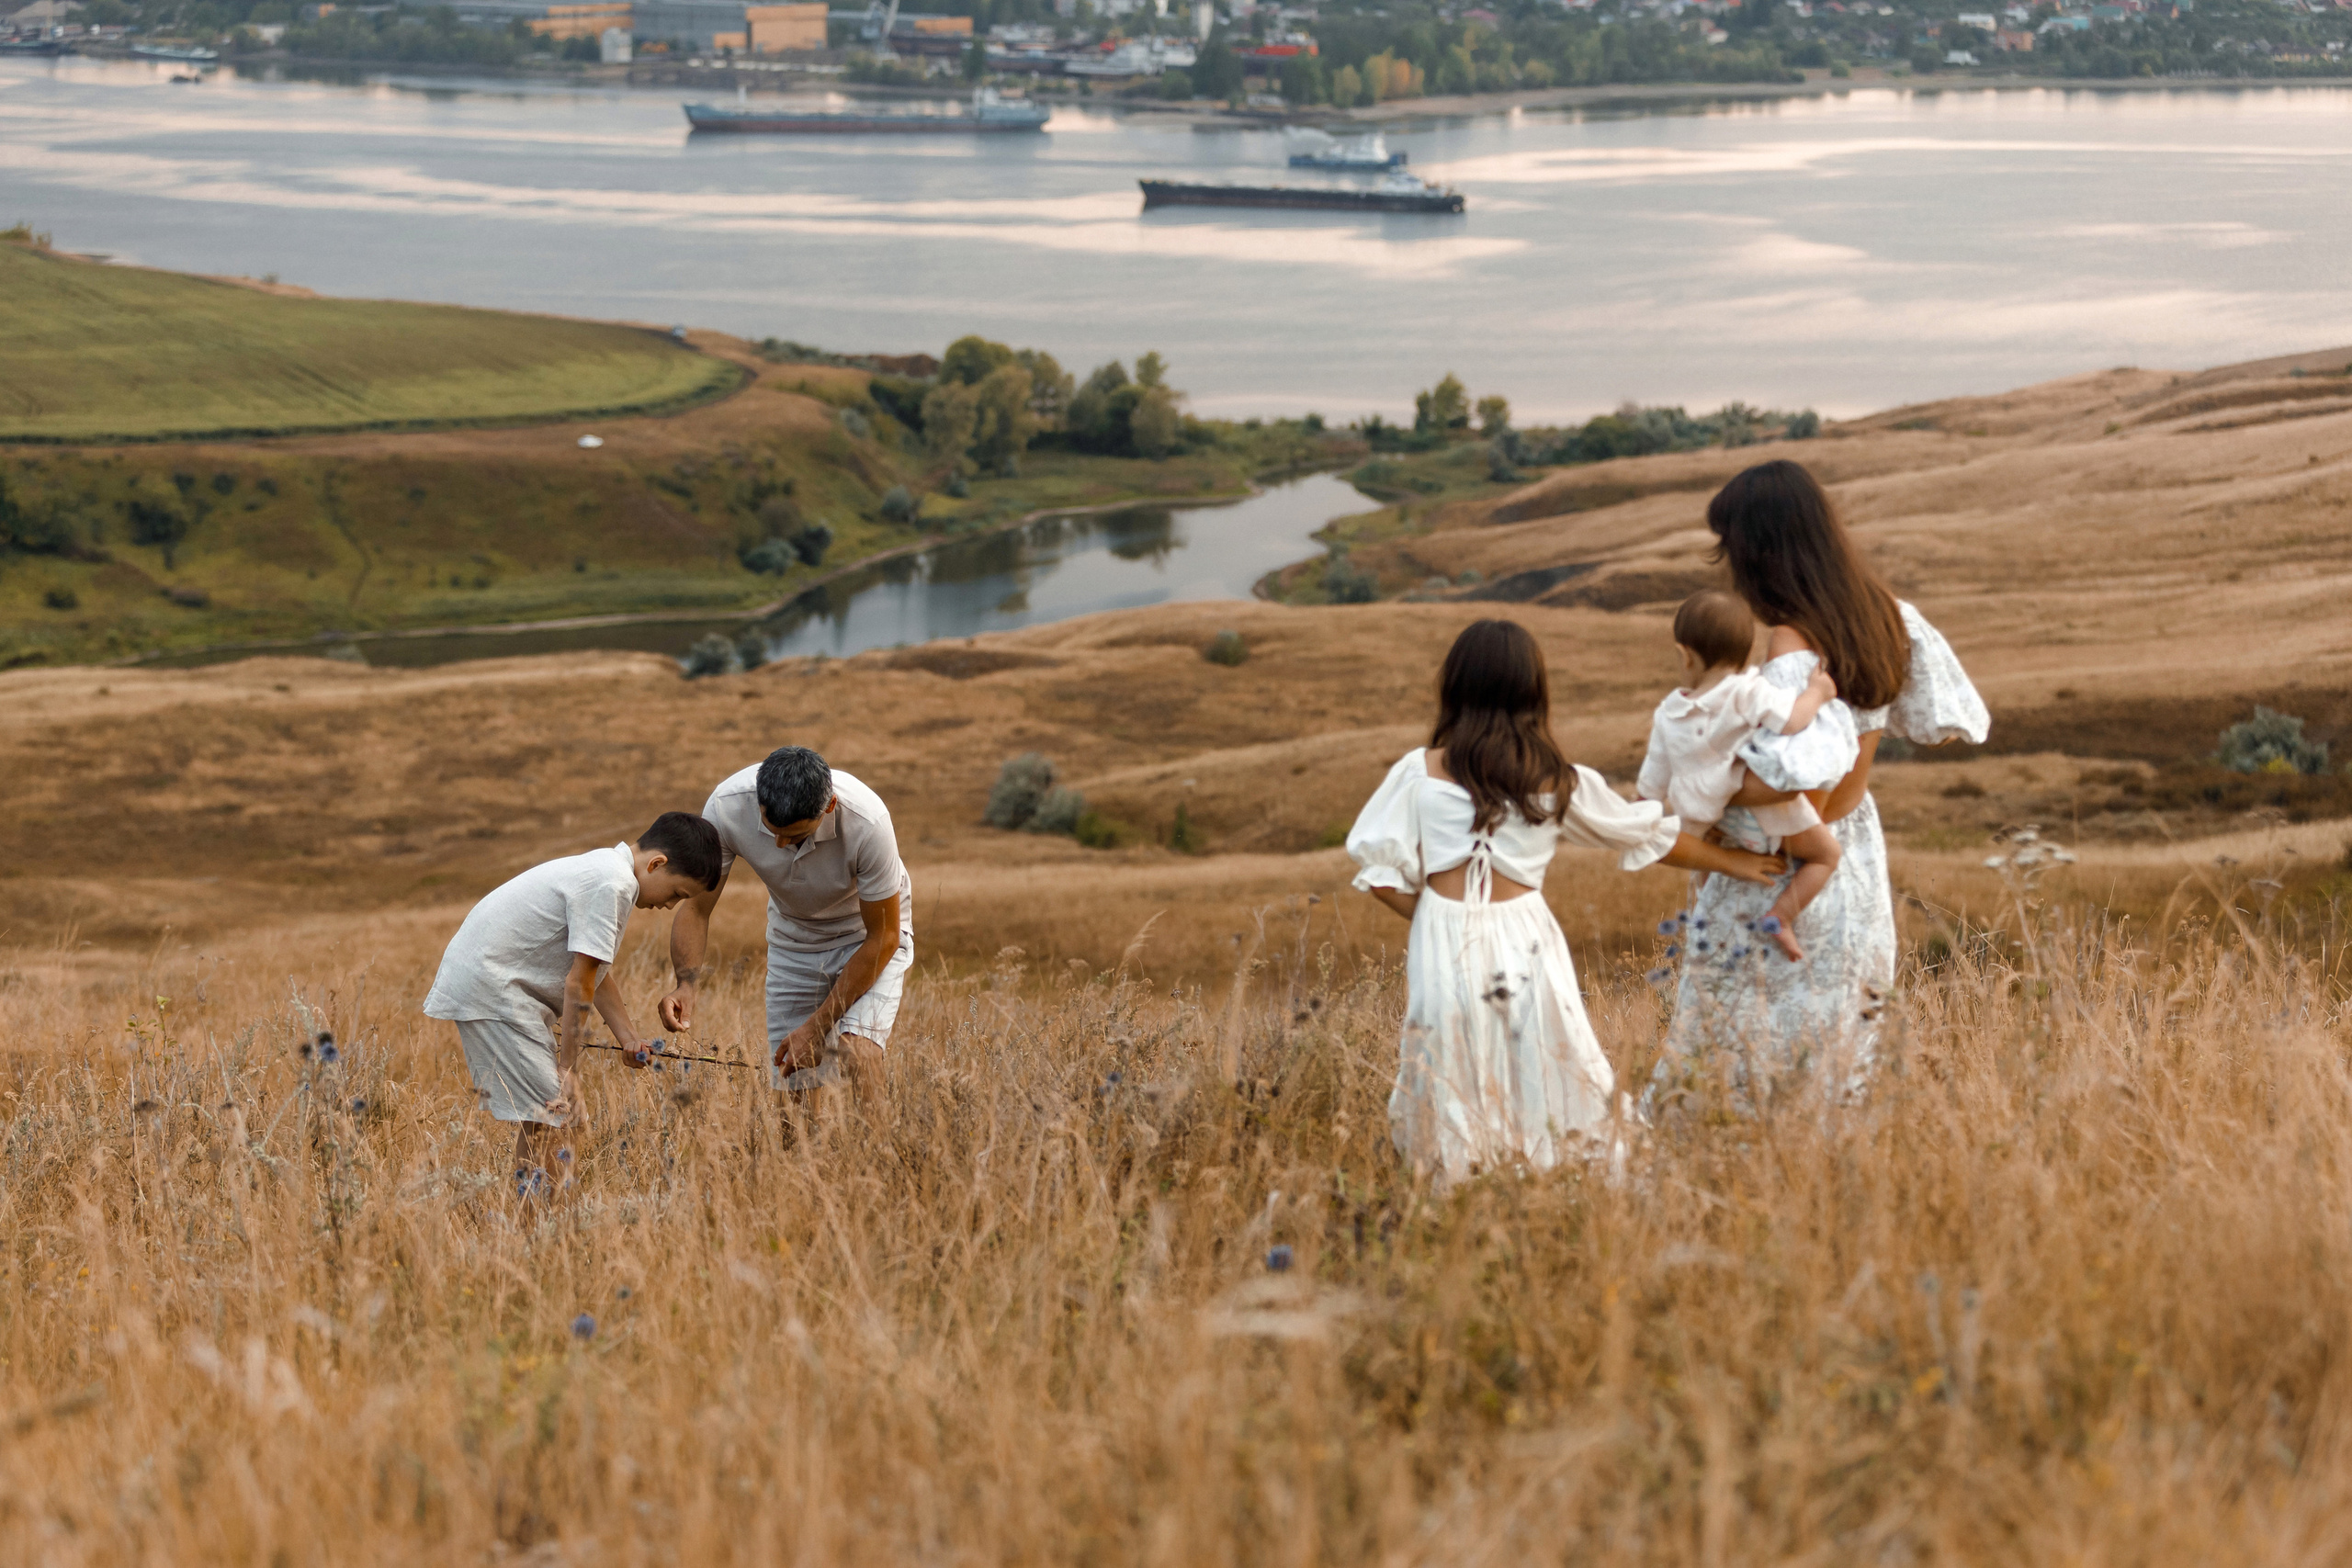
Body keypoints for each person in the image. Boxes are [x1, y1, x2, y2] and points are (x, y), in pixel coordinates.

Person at [1345, 618, 1791, 1182]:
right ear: (1534, 691)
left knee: (1449, 1058)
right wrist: (1735, 861)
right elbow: (1643, 833)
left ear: (1454, 685)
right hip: (1527, 933)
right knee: (1554, 1055)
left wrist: (1434, 917)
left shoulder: (1420, 769)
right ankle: (1559, 1170)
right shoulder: (1558, 779)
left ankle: (1458, 1183)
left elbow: (1379, 874)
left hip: (1444, 934)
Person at [1646, 460, 1989, 1114]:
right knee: (1839, 1061)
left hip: (1781, 862)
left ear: (1758, 552)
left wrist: (1700, 797)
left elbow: (1779, 781)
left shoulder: (1787, 649)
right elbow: (1936, 724)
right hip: (1853, 862)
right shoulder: (1891, 617)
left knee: (1726, 1060)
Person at [423, 812, 724, 1194]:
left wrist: (629, 1037)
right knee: (558, 1113)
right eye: (677, 894)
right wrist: (568, 1070)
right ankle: (538, 1227)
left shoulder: (605, 870)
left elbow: (593, 972)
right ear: (657, 864)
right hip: (494, 988)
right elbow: (578, 982)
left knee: (548, 1118)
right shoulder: (611, 884)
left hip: (495, 984)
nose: (669, 906)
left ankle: (534, 1222)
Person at [660, 746, 912, 1119]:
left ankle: (877, 1161)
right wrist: (686, 983)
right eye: (770, 829)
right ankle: (799, 1170)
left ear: (828, 808)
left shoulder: (867, 821)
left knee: (857, 1052)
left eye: (793, 837)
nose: (778, 845)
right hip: (793, 941)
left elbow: (884, 937)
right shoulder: (728, 805)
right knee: (793, 1085)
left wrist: (819, 1026)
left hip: (866, 938)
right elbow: (697, 906)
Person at [1637, 589, 1855, 963]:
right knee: (1826, 856)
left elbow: (1649, 792)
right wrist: (1817, 692)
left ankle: (1710, 934)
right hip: (1768, 815)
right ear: (1746, 652)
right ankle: (1781, 917)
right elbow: (1791, 721)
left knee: (1707, 884)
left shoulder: (1667, 715)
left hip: (1709, 827)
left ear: (1683, 654)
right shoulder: (1748, 691)